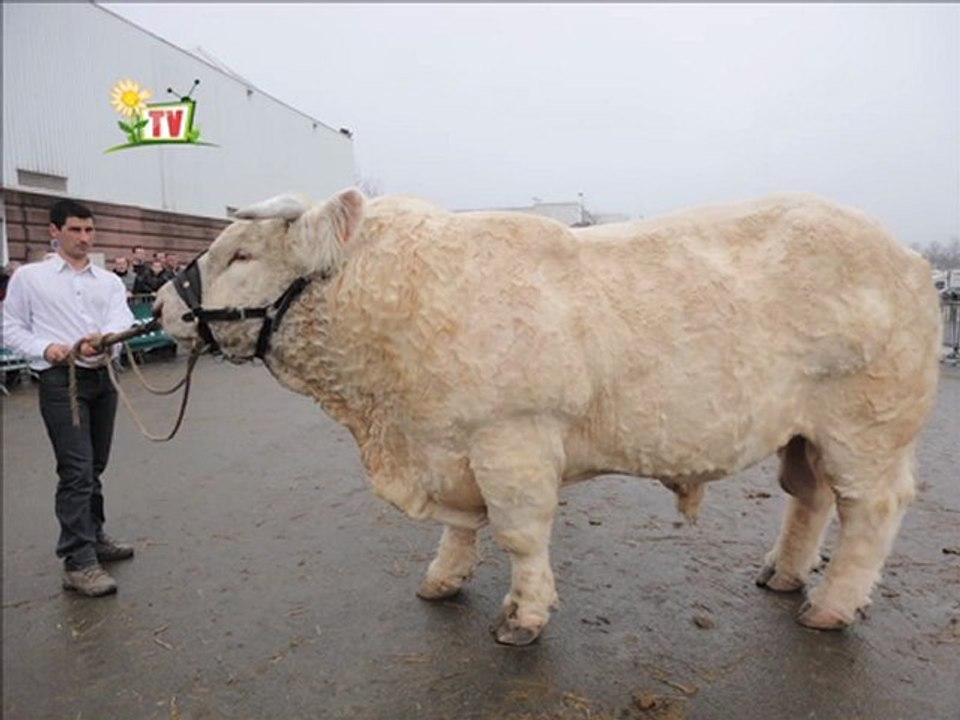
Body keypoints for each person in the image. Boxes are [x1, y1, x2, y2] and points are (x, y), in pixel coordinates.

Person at [2, 199, 137, 597]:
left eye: (89, 230)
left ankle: (93, 535)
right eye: (75, 230)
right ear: (54, 231)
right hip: (62, 381)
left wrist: (106, 338)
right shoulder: (30, 278)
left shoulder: (109, 281)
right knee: (76, 469)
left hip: (101, 378)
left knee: (95, 464)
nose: (84, 238)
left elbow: (121, 318)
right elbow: (9, 327)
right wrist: (47, 349)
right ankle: (78, 560)